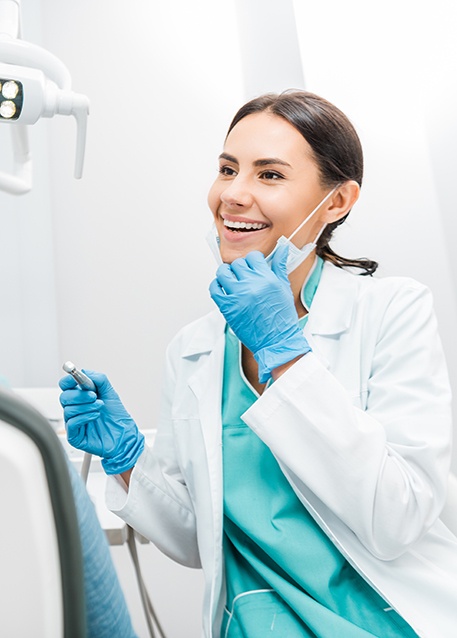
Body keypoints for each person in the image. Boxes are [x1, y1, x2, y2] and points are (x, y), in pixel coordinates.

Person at [59, 90, 457, 638]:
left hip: (381, 621)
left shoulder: (391, 311)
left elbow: (398, 517)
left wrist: (285, 355)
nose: (233, 194)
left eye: (269, 175)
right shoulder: (193, 349)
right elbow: (200, 538)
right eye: (228, 168)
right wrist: (127, 459)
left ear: (337, 201)